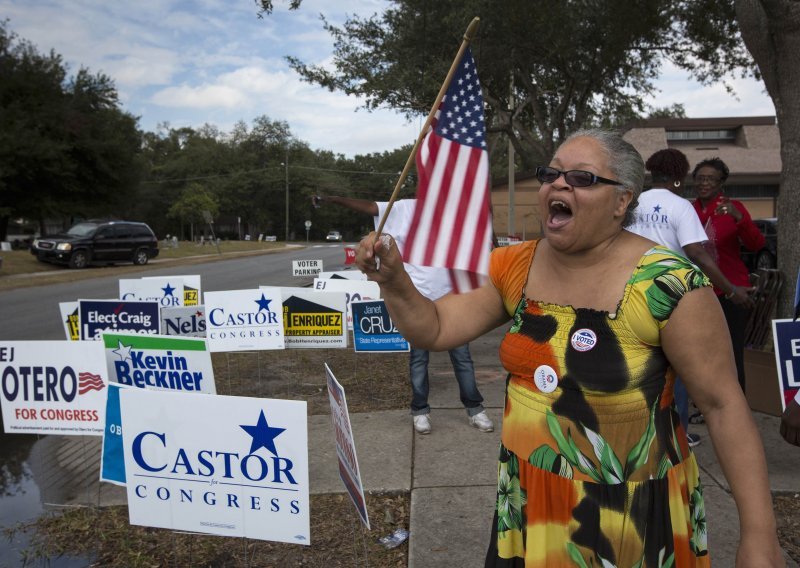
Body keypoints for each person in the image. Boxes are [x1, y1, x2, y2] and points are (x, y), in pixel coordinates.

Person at [356, 129, 783, 566]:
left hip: (625, 518)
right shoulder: (514, 265)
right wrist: (394, 280)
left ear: (622, 201)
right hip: (526, 500)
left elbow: (723, 406)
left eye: (582, 178)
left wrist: (759, 537)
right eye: (552, 174)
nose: (559, 185)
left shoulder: (671, 285)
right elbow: (436, 327)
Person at [312, 194, 494, 435]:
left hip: (453, 301)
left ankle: (475, 409)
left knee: (463, 359)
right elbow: (368, 205)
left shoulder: (453, 212)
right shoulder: (404, 208)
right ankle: (420, 411)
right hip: (417, 302)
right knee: (419, 361)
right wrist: (334, 199)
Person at [627, 148, 753, 449]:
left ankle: (636, 430)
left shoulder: (633, 202)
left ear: (652, 172)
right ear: (680, 177)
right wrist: (731, 290)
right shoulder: (681, 206)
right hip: (670, 294)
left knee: (637, 361)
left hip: (631, 289)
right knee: (677, 365)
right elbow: (696, 252)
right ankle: (677, 432)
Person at [691, 158, 765, 395]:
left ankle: (737, 404)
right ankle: (708, 403)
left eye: (710, 179)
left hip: (731, 292)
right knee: (702, 352)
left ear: (721, 183)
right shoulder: (688, 210)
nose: (704, 183)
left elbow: (756, 244)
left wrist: (739, 219)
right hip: (698, 293)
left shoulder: (733, 207)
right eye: (700, 178)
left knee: (731, 354)